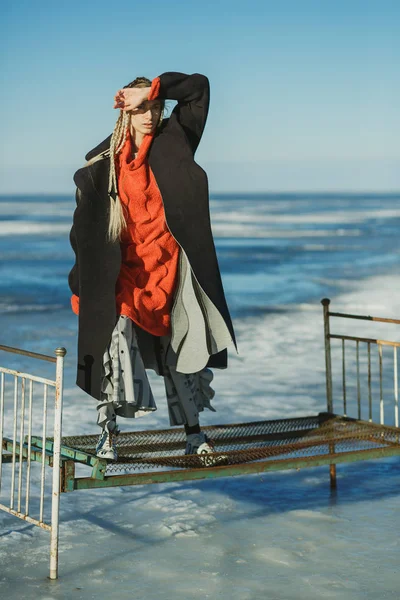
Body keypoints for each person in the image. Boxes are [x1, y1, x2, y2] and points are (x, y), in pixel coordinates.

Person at [68, 72, 236, 463]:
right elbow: (82, 233)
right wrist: (81, 284)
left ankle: (195, 435)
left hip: (173, 269)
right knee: (116, 341)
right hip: (124, 273)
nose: (150, 114)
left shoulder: (175, 142)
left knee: (181, 350)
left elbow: (198, 89)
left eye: (155, 106)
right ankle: (107, 433)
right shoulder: (102, 165)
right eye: (141, 108)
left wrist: (154, 88)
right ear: (125, 111)